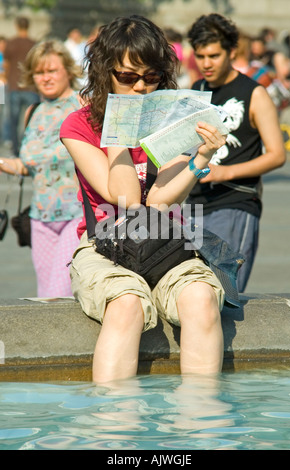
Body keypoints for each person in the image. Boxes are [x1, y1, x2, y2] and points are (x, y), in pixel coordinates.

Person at [60, 15, 227, 384]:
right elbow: (124, 196)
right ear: (105, 73)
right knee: (127, 304)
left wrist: (202, 158)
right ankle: (115, 428)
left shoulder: (170, 118)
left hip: (163, 242)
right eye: (127, 77)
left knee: (202, 300)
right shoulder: (78, 125)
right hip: (104, 245)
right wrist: (120, 130)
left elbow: (160, 202)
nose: (140, 87)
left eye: (151, 77)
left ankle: (203, 424)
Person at [186, 13, 286, 292]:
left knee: (224, 290)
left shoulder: (254, 93)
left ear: (231, 52)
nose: (206, 63)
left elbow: (277, 154)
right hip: (194, 203)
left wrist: (225, 171)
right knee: (194, 292)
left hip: (235, 201)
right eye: (200, 56)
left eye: (214, 55)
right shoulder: (197, 89)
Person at [0, 39, 83, 297]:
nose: (45, 78)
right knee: (44, 297)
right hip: (40, 219)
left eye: (52, 71)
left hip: (76, 216)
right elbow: (28, 165)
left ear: (68, 70)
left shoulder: (83, 105)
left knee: (60, 295)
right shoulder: (33, 111)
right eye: (39, 72)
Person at [3, 16, 39, 156]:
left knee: (14, 120)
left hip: (14, 86)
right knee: (32, 121)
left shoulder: (11, 43)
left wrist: (6, 78)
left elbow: (5, 64)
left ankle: (15, 150)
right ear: (28, 26)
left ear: (17, 26)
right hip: (30, 87)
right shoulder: (33, 43)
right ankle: (30, 148)